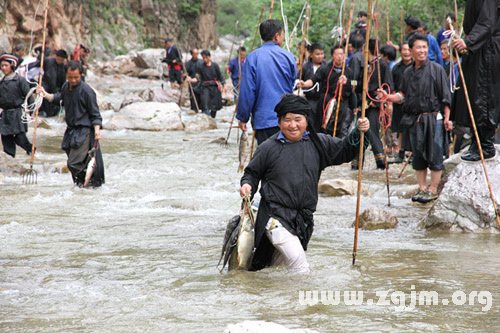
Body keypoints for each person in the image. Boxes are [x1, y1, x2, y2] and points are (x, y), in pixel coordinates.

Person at [239, 94, 370, 273]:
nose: (293, 125)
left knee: (278, 269)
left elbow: (345, 151)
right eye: (287, 120)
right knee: (300, 267)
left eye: (297, 120)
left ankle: (279, 300)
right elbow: (251, 174)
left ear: (306, 121)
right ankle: (304, 300)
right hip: (274, 217)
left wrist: (359, 131)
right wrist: (247, 185)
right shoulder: (268, 148)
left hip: (302, 219)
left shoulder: (318, 143)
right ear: (279, 122)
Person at [379, 34, 453, 203]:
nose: (422, 51)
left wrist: (448, 119)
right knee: (418, 155)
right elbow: (402, 95)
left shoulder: (437, 69)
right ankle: (421, 188)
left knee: (435, 153)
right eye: (418, 48)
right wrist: (388, 97)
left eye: (424, 47)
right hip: (414, 120)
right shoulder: (407, 72)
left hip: (434, 118)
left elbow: (446, 97)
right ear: (411, 50)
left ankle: (433, 189)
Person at [38, 61, 104, 187]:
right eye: (70, 77)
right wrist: (44, 94)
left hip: (84, 131)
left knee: (73, 163)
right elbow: (58, 98)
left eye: (76, 77)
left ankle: (89, 183)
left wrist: (97, 131)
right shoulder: (65, 86)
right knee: (74, 161)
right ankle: (81, 186)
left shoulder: (87, 91)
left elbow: (95, 115)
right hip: (71, 131)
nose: (73, 80)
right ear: (66, 75)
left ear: (81, 75)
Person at [452, 0, 500, 161]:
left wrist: (468, 41)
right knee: (473, 94)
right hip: (477, 49)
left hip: (487, 50)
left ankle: (485, 145)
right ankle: (477, 141)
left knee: (484, 96)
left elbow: (487, 23)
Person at [237, 19, 297, 145]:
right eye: (282, 35)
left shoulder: (252, 58)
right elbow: (291, 85)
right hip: (286, 118)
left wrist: (243, 117)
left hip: (263, 119)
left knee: (267, 158)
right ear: (276, 36)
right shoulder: (288, 57)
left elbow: (247, 92)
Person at [352, 38, 394, 170]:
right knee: (359, 131)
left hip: (374, 104)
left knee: (372, 131)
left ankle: (381, 161)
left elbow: (387, 87)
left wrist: (378, 100)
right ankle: (357, 162)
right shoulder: (362, 64)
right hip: (361, 102)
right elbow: (356, 85)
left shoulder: (381, 65)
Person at [300, 45, 356, 137]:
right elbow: (313, 80)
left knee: (341, 129)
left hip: (342, 103)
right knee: (322, 128)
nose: (340, 57)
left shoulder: (348, 71)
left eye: (342, 54)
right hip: (326, 102)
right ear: (332, 56)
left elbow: (355, 85)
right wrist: (304, 84)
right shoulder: (325, 68)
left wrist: (348, 82)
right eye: (337, 54)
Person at [0, 54, 33, 157]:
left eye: (6, 65)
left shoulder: (20, 80)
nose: (3, 68)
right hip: (5, 115)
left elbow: (29, 97)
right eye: (2, 66)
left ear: (12, 66)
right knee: (6, 141)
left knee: (20, 138)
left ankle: (31, 149)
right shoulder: (1, 83)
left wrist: (32, 111)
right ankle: (10, 166)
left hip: (17, 113)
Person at [389, 42, 413, 164]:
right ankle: (401, 153)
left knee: (411, 128)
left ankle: (412, 154)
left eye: (409, 50)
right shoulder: (396, 68)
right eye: (404, 50)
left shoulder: (416, 67)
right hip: (398, 103)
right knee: (399, 129)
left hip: (412, 103)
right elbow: (391, 85)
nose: (406, 52)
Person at [188, 50, 225, 118]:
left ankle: (212, 119)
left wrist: (223, 84)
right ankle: (206, 118)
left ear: (209, 57)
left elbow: (220, 76)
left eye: (206, 57)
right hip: (205, 87)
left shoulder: (215, 66)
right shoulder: (201, 67)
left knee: (214, 107)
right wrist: (191, 80)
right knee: (205, 104)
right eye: (203, 58)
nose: (204, 59)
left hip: (214, 88)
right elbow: (197, 78)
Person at [300, 42, 326, 130]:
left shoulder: (326, 67)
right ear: (311, 55)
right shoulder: (305, 67)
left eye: (322, 54)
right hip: (308, 99)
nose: (320, 56)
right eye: (317, 54)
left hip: (322, 100)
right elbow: (299, 80)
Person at [40, 49, 68, 117]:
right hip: (46, 85)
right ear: (56, 56)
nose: (59, 61)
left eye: (61, 60)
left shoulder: (64, 67)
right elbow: (38, 63)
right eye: (58, 59)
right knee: (44, 97)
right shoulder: (48, 61)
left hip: (56, 88)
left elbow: (64, 80)